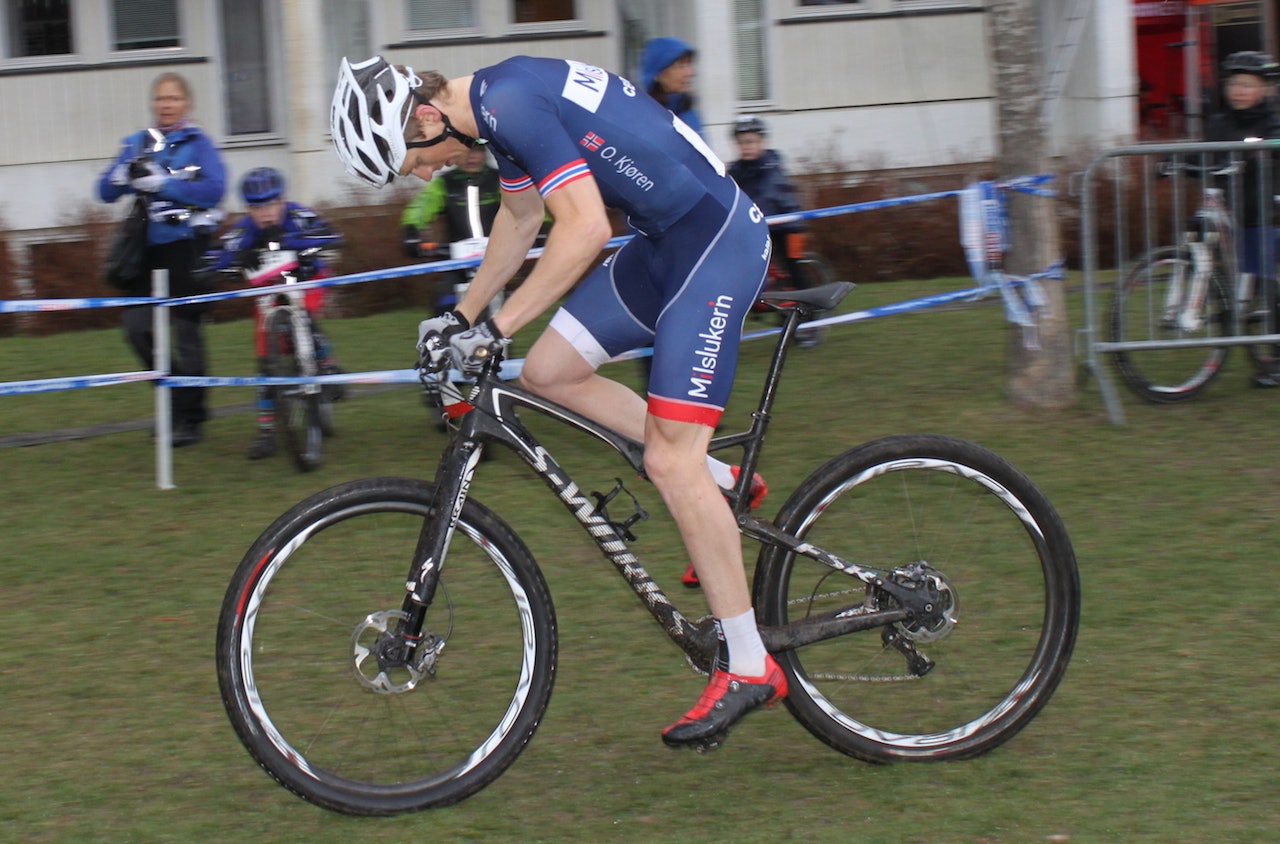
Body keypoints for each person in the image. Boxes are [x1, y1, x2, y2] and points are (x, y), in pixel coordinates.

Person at [331, 55, 781, 750]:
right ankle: (725, 486)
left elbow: (585, 229)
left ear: (424, 119)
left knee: (670, 460)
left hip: (715, 243)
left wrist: (496, 330)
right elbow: (521, 216)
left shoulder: (508, 102)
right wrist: (463, 315)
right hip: (666, 244)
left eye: (408, 162)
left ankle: (750, 664)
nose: (420, 175)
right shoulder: (496, 110)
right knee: (549, 372)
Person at [97, 71, 226, 446]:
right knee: (136, 328)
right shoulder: (137, 143)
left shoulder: (199, 143)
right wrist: (120, 176)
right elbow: (103, 191)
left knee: (187, 334)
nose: (166, 105)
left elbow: (215, 190)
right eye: (160, 99)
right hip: (148, 251)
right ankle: (173, 398)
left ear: (186, 103)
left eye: (173, 98)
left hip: (187, 245)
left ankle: (193, 417)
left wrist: (165, 184)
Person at [204, 167, 345, 459]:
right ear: (247, 209)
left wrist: (295, 245)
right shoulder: (246, 229)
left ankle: (327, 363)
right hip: (268, 291)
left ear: (282, 200)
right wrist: (237, 259)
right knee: (265, 360)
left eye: (271, 204)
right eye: (257, 207)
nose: (266, 213)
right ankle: (266, 430)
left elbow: (331, 234)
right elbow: (214, 257)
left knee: (305, 313)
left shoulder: (298, 216)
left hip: (307, 280)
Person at [1203, 51, 1280, 387]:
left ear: (1264, 89)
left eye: (1247, 84)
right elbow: (1205, 155)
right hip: (1237, 212)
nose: (1239, 90)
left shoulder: (1273, 120)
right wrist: (1172, 162)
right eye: (1234, 83)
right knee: (1249, 277)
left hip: (1268, 211)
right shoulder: (1220, 122)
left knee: (1267, 283)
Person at [727, 115, 822, 352]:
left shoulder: (771, 166)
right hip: (758, 226)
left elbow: (767, 195)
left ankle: (810, 320)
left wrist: (752, 213)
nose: (747, 146)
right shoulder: (737, 169)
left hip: (786, 224)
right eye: (742, 142)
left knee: (794, 267)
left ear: (762, 142)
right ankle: (774, 305)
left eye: (751, 141)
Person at [640, 36, 702, 137]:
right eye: (681, 66)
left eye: (689, 65)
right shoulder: (643, 120)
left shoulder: (688, 112)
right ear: (657, 74)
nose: (691, 73)